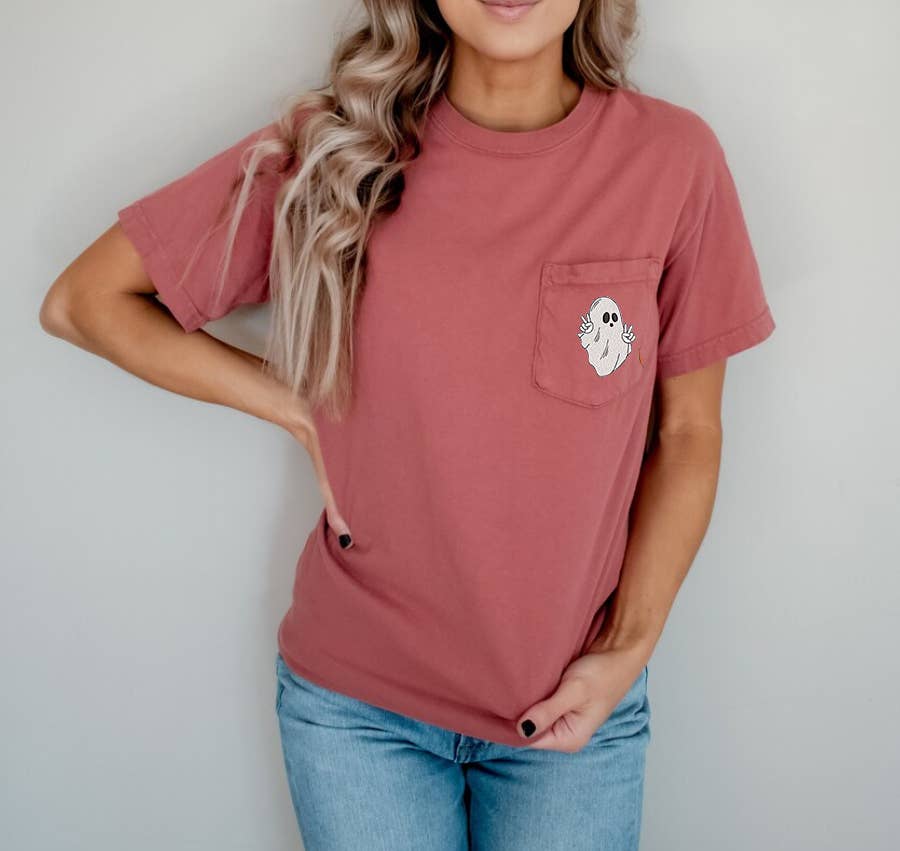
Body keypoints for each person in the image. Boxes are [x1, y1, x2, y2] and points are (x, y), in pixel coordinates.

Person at [39, 0, 777, 848]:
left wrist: (628, 649)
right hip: (359, 714)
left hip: (573, 712)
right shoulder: (340, 149)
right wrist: (293, 408)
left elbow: (689, 434)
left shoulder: (673, 161)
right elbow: (84, 301)